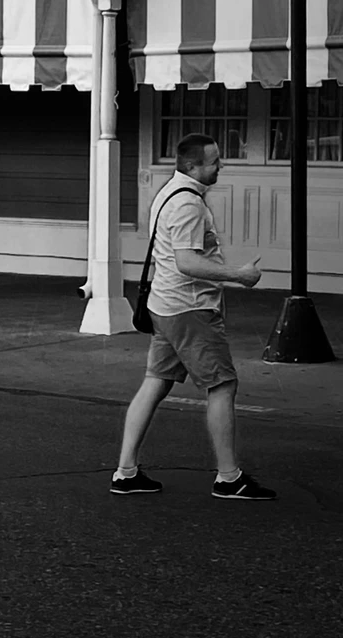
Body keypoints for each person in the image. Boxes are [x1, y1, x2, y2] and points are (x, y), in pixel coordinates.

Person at [112, 132, 274, 501]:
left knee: (155, 382)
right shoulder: (188, 205)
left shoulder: (169, 193)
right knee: (222, 385)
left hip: (165, 305)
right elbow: (187, 262)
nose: (220, 166)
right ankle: (229, 478)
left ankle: (125, 472)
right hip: (189, 309)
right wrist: (239, 275)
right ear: (192, 166)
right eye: (214, 161)